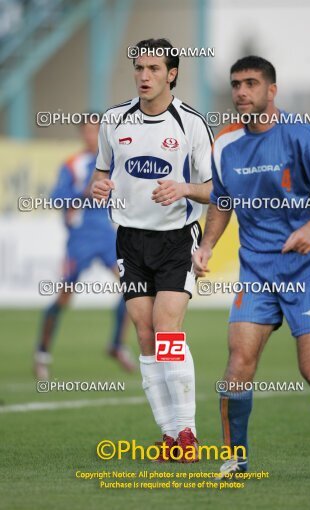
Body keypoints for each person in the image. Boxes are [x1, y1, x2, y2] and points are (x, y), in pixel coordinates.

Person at [193, 56, 310, 477]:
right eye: (236, 84)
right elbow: (222, 200)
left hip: (308, 269)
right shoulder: (226, 144)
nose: (242, 92)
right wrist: (207, 246)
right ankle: (235, 459)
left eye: (252, 84)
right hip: (256, 271)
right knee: (238, 363)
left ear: (271, 91)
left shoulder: (302, 137)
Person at [91, 38, 213, 462]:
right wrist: (99, 186)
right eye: (139, 68)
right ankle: (168, 436)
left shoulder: (191, 124)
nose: (144, 76)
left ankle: (188, 434)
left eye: (154, 69)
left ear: (172, 73)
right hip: (130, 238)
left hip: (176, 239)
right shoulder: (113, 120)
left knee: (167, 331)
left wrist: (182, 187)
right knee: (145, 335)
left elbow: (215, 189)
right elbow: (102, 172)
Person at [34, 116, 136, 380]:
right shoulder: (73, 164)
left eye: (96, 131)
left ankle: (116, 344)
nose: (92, 135)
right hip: (79, 239)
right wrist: (83, 194)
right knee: (64, 297)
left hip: (106, 236)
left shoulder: (114, 163)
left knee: (131, 288)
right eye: (88, 131)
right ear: (82, 134)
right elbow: (56, 197)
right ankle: (42, 353)